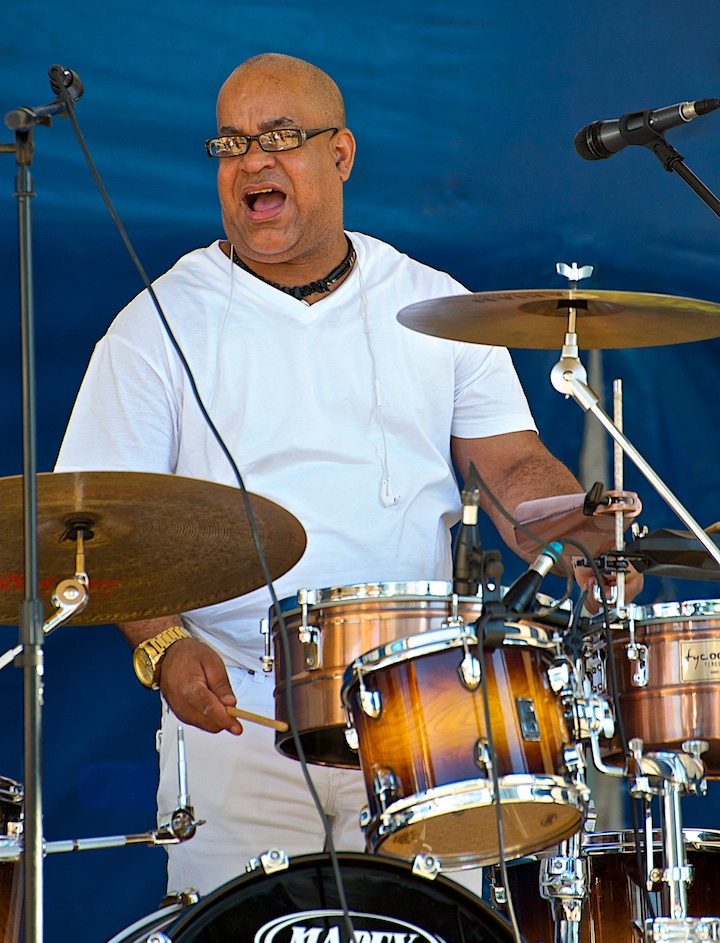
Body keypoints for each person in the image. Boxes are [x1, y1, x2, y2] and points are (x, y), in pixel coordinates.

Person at [55, 52, 642, 896]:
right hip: (239, 718)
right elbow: (96, 529)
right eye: (230, 144)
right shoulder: (155, 326)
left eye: (281, 137)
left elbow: (513, 465)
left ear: (342, 155)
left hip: (423, 713)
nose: (252, 160)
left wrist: (575, 523)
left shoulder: (432, 304)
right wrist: (164, 645)